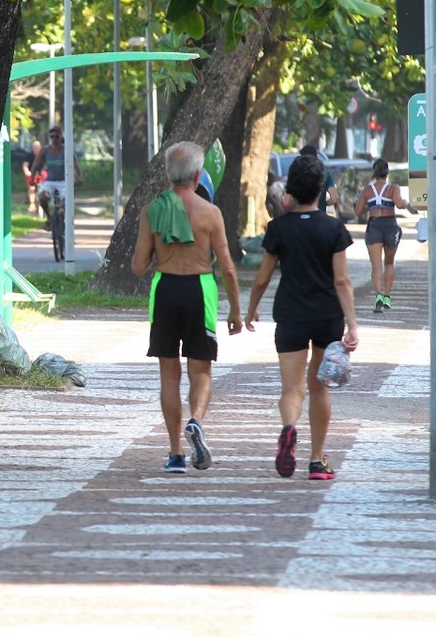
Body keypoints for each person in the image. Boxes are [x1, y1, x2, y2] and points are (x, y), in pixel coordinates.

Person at [246, 154, 358, 480]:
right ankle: (317, 461)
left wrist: (252, 309)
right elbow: (342, 281)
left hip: (290, 317)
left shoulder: (279, 228)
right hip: (327, 317)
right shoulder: (335, 229)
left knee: (292, 390)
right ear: (321, 188)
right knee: (319, 388)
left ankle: (288, 429)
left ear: (292, 188)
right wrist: (352, 323)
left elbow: (263, 277)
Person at [132, 141, 242, 474]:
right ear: (197, 175)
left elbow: (138, 266)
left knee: (169, 375)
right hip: (200, 290)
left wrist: (159, 249)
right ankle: (195, 421)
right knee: (201, 371)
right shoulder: (210, 213)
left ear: (169, 174)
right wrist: (236, 310)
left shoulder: (154, 210)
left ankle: (175, 453)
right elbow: (227, 267)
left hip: (165, 289)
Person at [354, 158, 417, 313]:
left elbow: (357, 211)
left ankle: (378, 296)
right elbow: (400, 205)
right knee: (389, 263)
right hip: (390, 226)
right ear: (387, 172)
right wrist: (404, 201)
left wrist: (371, 205)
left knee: (376, 266)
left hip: (374, 226)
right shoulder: (393, 188)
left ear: (374, 173)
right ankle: (388, 296)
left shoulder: (368, 190)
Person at [33, 125, 83, 222]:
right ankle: (49, 217)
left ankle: (63, 219)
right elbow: (36, 164)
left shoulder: (67, 150)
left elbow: (75, 165)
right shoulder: (44, 150)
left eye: (56, 136)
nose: (54, 139)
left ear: (61, 136)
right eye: (52, 136)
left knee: (65, 200)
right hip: (50, 181)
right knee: (42, 196)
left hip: (64, 181)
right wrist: (32, 178)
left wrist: (79, 177)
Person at [298, 144, 339, 214]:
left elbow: (288, 200)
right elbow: (334, 198)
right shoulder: (325, 173)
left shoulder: (297, 173)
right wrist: (323, 203)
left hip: (300, 215)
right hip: (319, 215)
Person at [20, 138, 44, 215]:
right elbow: (25, 165)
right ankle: (32, 204)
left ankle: (42, 203)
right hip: (32, 175)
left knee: (43, 189)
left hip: (41, 175)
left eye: (37, 147)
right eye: (34, 147)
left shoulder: (43, 155)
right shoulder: (29, 155)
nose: (36, 149)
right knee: (31, 187)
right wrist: (27, 172)